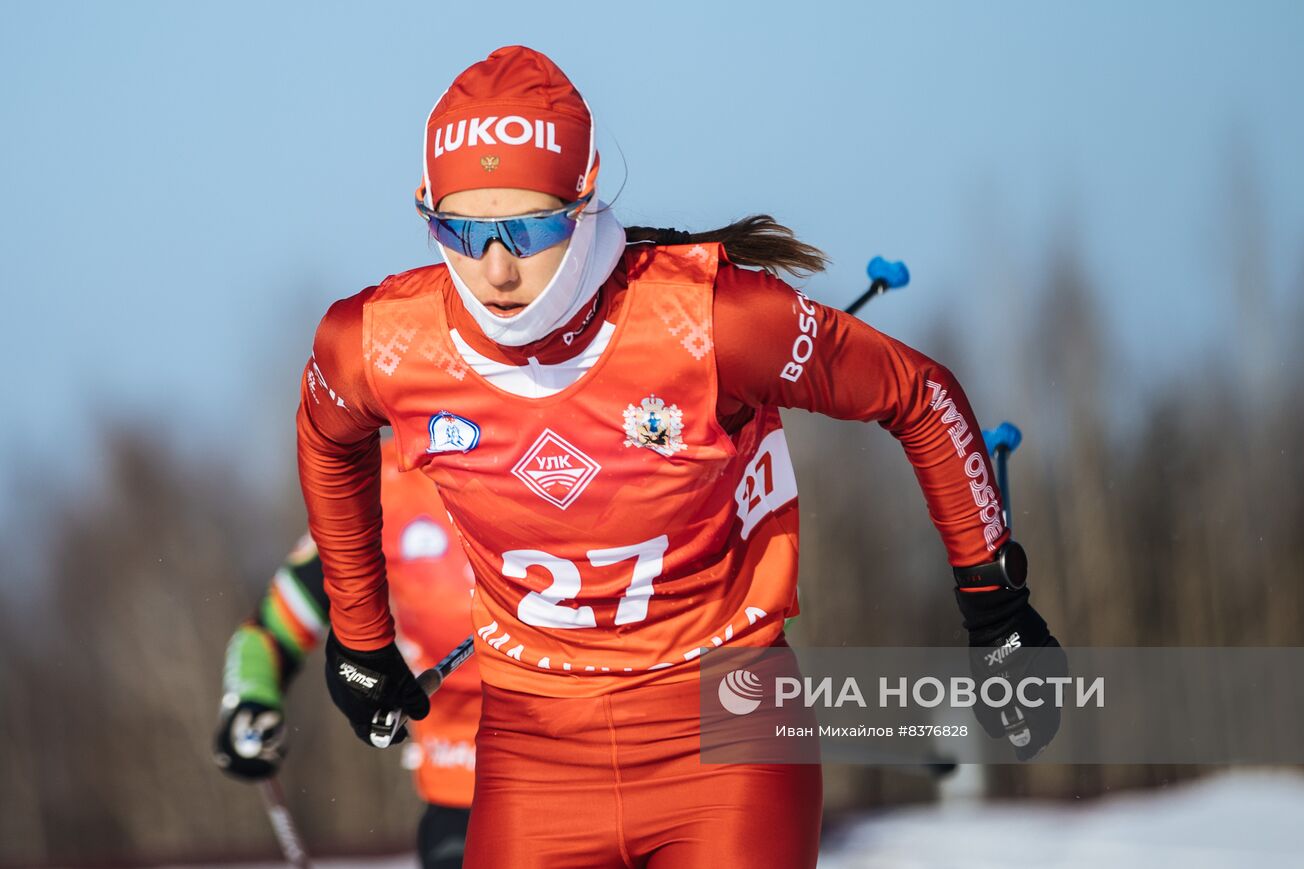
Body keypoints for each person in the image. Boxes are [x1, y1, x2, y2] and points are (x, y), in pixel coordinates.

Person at [297, 45, 1066, 868]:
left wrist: (995, 603)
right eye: (462, 228)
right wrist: (361, 636)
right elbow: (327, 439)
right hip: (534, 746)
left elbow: (918, 393)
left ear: (584, 201)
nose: (495, 266)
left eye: (528, 227)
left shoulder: (709, 320)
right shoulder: (378, 343)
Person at [214, 441, 481, 869]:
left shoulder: (558, 456)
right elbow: (270, 631)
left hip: (595, 768)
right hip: (464, 790)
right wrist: (252, 697)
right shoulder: (383, 485)